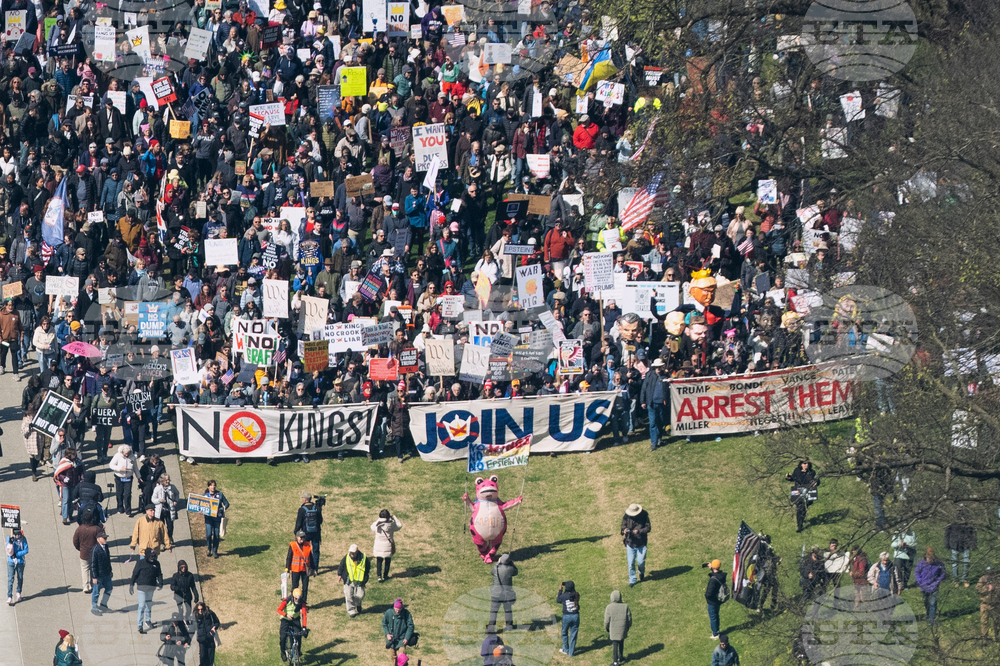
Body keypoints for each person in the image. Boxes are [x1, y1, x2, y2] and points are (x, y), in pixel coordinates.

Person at [131, 548, 164, 633]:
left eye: (153, 556)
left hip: (151, 587)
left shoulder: (157, 564)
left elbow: (159, 574)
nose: (152, 558)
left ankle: (148, 620)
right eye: (151, 556)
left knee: (149, 605)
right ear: (147, 556)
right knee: (141, 605)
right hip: (141, 588)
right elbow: (135, 573)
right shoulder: (140, 563)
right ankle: (140, 624)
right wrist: (131, 584)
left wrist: (160, 582)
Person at [914, 547, 946, 624]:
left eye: (930, 559)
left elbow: (942, 573)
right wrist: (920, 581)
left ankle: (931, 620)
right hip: (924, 586)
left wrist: (937, 581)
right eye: (928, 558)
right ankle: (928, 614)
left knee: (932, 603)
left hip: (934, 586)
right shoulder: (921, 563)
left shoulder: (939, 564)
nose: (929, 560)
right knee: (926, 601)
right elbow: (917, 572)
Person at [945, 511, 977, 587]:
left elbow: (973, 534)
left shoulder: (969, 524)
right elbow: (947, 533)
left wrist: (974, 545)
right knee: (954, 563)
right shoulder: (952, 523)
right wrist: (947, 544)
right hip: (954, 545)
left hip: (966, 545)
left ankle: (965, 579)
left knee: (966, 562)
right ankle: (956, 580)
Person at [621, 503, 650, 587]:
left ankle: (641, 572)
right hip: (630, 542)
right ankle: (632, 580)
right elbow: (623, 525)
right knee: (631, 563)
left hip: (641, 543)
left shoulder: (644, 515)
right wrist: (625, 530)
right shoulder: (626, 516)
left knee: (641, 561)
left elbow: (648, 528)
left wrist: (639, 531)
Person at [785, 460, 819, 532]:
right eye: (804, 463)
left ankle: (801, 520)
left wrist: (816, 482)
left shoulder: (812, 472)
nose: (806, 465)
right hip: (798, 492)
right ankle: (799, 525)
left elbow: (817, 480)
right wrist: (789, 478)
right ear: (801, 464)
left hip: (808, 492)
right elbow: (794, 478)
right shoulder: (797, 471)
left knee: (804, 508)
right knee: (799, 508)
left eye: (807, 464)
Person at [276, 587, 308, 662]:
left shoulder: (302, 603)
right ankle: (283, 652)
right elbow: (279, 610)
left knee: (298, 635)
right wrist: (286, 615)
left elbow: (304, 615)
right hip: (285, 619)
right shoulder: (287, 601)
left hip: (295, 619)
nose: (297, 600)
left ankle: (298, 651)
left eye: (298, 599)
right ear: (293, 597)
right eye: (296, 599)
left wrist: (304, 627)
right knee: (283, 637)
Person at [488, 553, 518, 633]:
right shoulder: (510, 569)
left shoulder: (496, 568)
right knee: (508, 610)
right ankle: (509, 626)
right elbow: (516, 572)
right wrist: (512, 564)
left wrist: (497, 563)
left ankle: (491, 628)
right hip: (506, 594)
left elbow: (491, 572)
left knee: (493, 611)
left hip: (496, 594)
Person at [338, 543, 370, 617]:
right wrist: (339, 575)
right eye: (350, 552)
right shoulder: (346, 557)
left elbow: (367, 568)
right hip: (349, 581)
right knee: (349, 595)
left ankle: (358, 604)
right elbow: (341, 565)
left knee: (360, 595)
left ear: (357, 552)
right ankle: (351, 611)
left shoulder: (364, 558)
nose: (351, 554)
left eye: (353, 552)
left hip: (360, 581)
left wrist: (365, 578)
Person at [371, 508, 403, 582]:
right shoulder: (391, 525)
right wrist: (394, 518)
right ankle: (385, 575)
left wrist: (378, 520)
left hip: (379, 546)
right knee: (387, 562)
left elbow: (372, 526)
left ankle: (379, 576)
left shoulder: (377, 526)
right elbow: (399, 525)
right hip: (388, 546)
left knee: (379, 561)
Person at [294, 491, 323, 571]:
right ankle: (315, 569)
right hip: (316, 532)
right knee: (316, 550)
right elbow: (320, 520)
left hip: (305, 533)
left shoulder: (302, 509)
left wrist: (296, 532)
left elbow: (299, 522)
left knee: (306, 550)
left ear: (305, 500)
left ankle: (306, 567)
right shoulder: (317, 508)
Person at [72, 518, 102, 594]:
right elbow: (102, 540)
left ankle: (86, 586)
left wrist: (80, 548)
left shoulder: (80, 528)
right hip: (94, 553)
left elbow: (75, 540)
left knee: (85, 568)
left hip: (83, 552)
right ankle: (92, 584)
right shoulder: (96, 529)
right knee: (93, 568)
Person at [603, 590, 632, 666]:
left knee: (615, 644)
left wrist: (606, 627)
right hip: (623, 628)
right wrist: (627, 627)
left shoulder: (609, 607)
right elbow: (629, 618)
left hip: (613, 629)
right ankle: (621, 656)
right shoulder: (625, 606)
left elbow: (606, 620)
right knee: (621, 641)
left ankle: (615, 662)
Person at [109, 444, 139, 516]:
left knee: (127, 494)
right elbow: (111, 465)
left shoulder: (132, 457)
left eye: (128, 454)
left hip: (128, 478)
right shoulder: (117, 456)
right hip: (119, 477)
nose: (126, 455)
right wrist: (119, 469)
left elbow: (135, 468)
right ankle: (120, 507)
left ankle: (128, 510)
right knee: (119, 493)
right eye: (125, 454)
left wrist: (139, 477)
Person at [203, 479, 229, 558]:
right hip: (208, 518)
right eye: (211, 485)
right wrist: (200, 510)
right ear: (208, 487)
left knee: (216, 535)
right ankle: (209, 549)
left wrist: (221, 509)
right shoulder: (205, 495)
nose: (213, 487)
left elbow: (227, 504)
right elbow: (200, 505)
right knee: (208, 534)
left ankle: (215, 551)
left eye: (214, 485)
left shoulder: (220, 494)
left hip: (217, 518)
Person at [285, 531, 314, 604]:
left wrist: (313, 569)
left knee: (305, 588)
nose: (302, 539)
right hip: (295, 570)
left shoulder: (308, 545)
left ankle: (303, 604)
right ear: (297, 537)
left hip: (305, 570)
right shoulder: (293, 545)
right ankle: (293, 602)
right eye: (300, 537)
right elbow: (289, 558)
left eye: (303, 537)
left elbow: (311, 557)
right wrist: (287, 570)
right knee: (295, 587)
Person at [90, 531, 113, 615]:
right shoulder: (95, 550)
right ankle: (94, 607)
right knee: (96, 592)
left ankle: (103, 604)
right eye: (104, 538)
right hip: (98, 575)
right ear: (98, 539)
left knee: (109, 588)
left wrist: (110, 570)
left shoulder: (106, 547)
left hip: (106, 573)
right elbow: (92, 564)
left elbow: (108, 560)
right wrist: (94, 577)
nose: (105, 539)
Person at [705, 559, 728, 640]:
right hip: (719, 599)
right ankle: (717, 630)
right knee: (716, 615)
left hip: (712, 601)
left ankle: (715, 634)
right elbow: (716, 573)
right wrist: (712, 568)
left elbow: (708, 594)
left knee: (713, 617)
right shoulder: (722, 575)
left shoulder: (713, 580)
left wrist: (707, 597)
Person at [557, 580, 580, 657]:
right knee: (573, 634)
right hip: (575, 616)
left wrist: (560, 590)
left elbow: (558, 600)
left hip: (566, 616)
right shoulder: (576, 594)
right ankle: (571, 652)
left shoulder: (564, 596)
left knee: (564, 633)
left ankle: (566, 649)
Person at [194, 601, 221, 666]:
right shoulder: (195, 615)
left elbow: (217, 622)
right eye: (198, 609)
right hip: (201, 639)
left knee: (210, 657)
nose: (200, 611)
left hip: (209, 638)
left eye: (201, 609)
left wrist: (214, 627)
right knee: (202, 657)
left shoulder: (210, 613)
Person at [5, 527, 28, 605]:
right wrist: (11, 543)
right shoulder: (10, 538)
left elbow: (26, 549)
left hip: (20, 561)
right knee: (10, 579)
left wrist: (18, 554)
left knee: (20, 577)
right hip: (11, 561)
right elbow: (8, 550)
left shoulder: (23, 539)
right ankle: (9, 596)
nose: (17, 536)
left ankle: (18, 592)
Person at [977, 568, 1000, 639]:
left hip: (995, 604)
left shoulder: (997, 579)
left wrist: (995, 587)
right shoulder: (982, 579)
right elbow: (978, 589)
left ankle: (996, 637)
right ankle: (984, 638)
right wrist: (987, 588)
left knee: (996, 621)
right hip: (985, 604)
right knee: (984, 622)